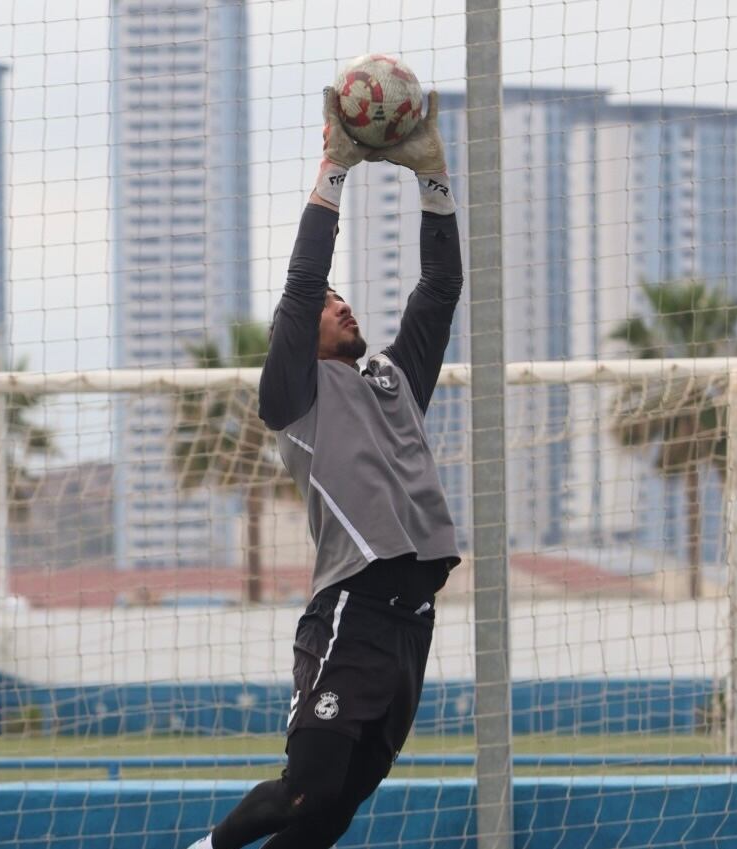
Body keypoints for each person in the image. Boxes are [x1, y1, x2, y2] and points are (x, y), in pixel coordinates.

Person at [186, 85, 464, 849]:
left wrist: (430, 176)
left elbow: (440, 288)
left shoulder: (393, 377)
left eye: (345, 299)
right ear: (294, 333)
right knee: (304, 790)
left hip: (413, 619)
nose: (341, 306)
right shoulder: (295, 395)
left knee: (328, 817)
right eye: (329, 303)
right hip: (354, 608)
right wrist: (334, 171)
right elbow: (303, 282)